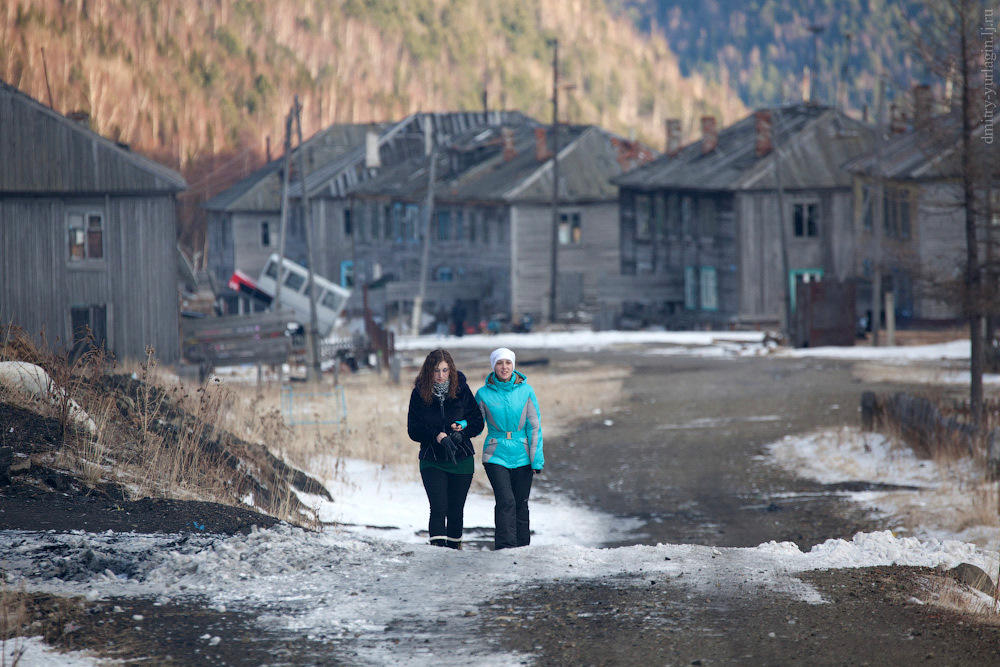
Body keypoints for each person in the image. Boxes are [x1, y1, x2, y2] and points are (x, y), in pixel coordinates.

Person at [407, 349, 484, 549]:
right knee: (439, 509)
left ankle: (454, 554)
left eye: (444, 370)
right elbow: (413, 429)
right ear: (428, 372)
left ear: (451, 370)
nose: (440, 375)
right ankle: (437, 555)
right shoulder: (419, 394)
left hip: (462, 458)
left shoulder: (462, 390)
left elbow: (477, 422)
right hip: (432, 459)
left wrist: (462, 432)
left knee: (456, 511)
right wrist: (436, 436)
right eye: (436, 371)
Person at [475, 347, 544, 550]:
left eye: (508, 363)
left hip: (523, 454)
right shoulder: (483, 394)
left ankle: (523, 549)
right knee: (506, 501)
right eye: (499, 363)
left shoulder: (526, 391)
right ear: (493, 366)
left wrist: (536, 459)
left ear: (513, 366)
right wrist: (460, 424)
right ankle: (505, 548)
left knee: (521, 503)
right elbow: (475, 424)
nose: (504, 367)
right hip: (495, 454)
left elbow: (534, 426)